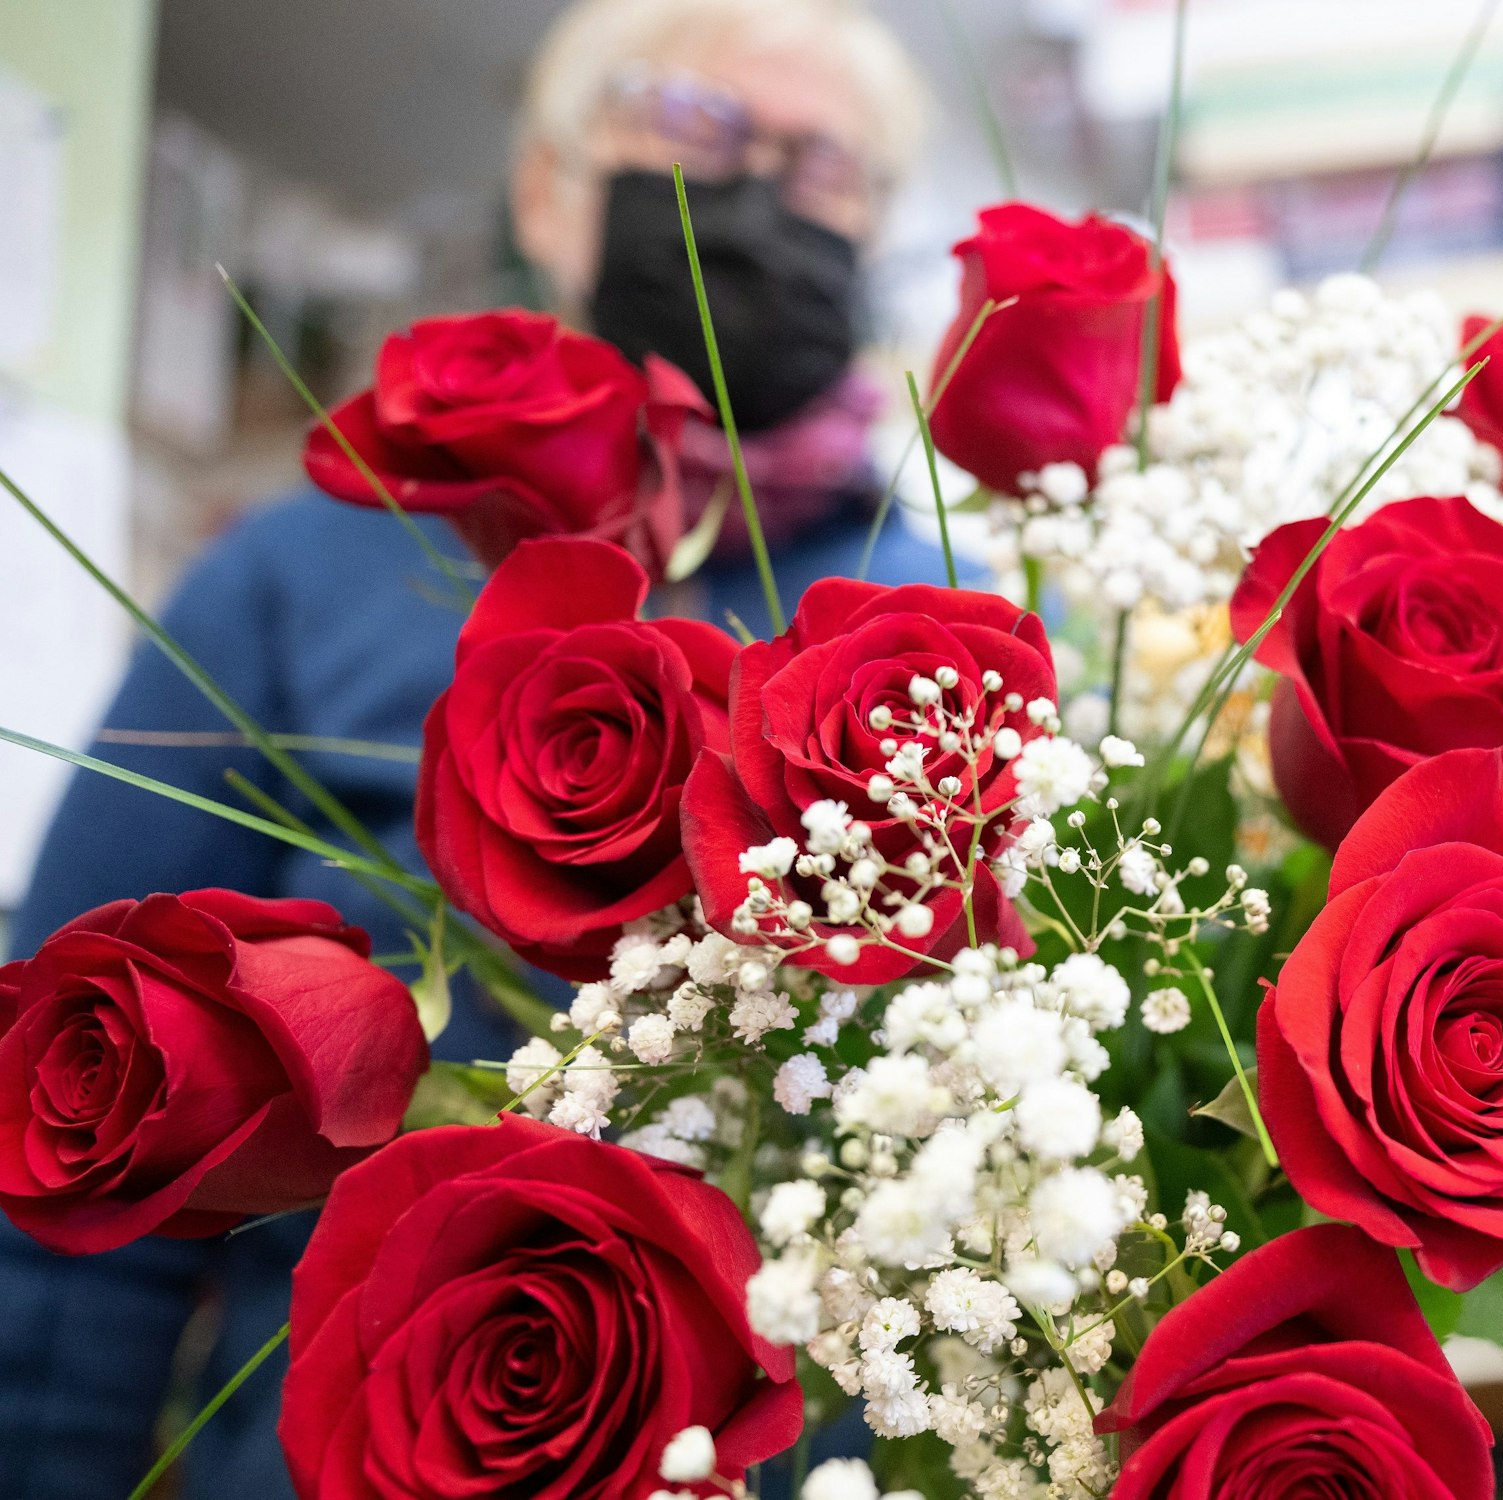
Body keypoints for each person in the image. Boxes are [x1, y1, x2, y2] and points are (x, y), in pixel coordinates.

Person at [0, 2, 940, 1494]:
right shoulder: (299, 580)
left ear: (876, 224)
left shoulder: (949, 623)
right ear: (546, 191)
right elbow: (77, 1092)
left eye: (817, 163)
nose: (751, 198)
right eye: (691, 128)